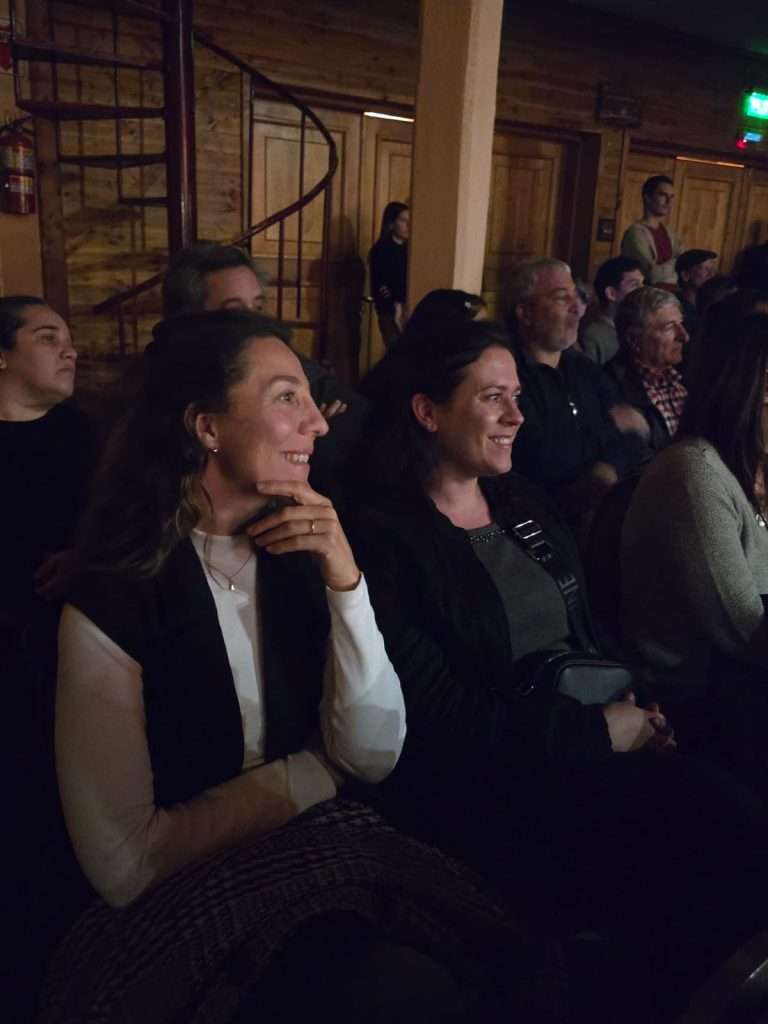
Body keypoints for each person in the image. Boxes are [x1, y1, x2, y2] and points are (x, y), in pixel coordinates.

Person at [41, 310, 532, 1024]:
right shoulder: (116, 595)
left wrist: (346, 582)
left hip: (317, 861)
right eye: (286, 398)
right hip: (185, 902)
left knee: (481, 964)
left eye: (310, 397)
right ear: (207, 427)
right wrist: (314, 772)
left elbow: (373, 755)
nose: (318, 423)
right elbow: (125, 863)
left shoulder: (306, 546)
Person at [347, 318, 768, 1021]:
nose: (517, 415)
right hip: (505, 777)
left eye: (518, 395)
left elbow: (586, 638)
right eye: (493, 398)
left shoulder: (520, 503)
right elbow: (440, 714)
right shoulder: (387, 538)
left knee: (739, 826)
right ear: (427, 411)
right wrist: (599, 732)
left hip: (590, 736)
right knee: (719, 845)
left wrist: (640, 708)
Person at [621, 292, 768, 791]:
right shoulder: (695, 473)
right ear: (755, 393)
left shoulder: (753, 464)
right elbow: (744, 634)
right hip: (694, 704)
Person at [162, 241, 368, 497]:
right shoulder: (160, 391)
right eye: (235, 312)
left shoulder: (286, 362)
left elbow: (354, 413)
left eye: (258, 307)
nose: (255, 321)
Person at [505, 258, 647, 536]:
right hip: (536, 524)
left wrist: (609, 467)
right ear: (525, 313)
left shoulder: (585, 370)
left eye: (577, 297)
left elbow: (635, 436)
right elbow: (535, 456)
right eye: (562, 298)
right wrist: (609, 431)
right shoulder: (507, 376)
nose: (578, 309)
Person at [606, 285, 689, 454]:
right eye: (669, 327)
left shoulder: (690, 375)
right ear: (634, 340)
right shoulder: (608, 388)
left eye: (681, 324)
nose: (684, 336)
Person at [620, 175, 683, 286]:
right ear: (647, 198)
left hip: (673, 293)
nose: (668, 201)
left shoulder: (670, 233)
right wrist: (677, 262)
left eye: (671, 197)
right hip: (648, 294)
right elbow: (651, 275)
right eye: (663, 195)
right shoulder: (636, 233)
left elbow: (687, 263)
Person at [581, 256, 644, 365]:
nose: (643, 290)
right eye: (635, 285)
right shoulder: (593, 337)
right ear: (611, 294)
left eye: (643, 284)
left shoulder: (639, 329)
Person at [368, 202, 409, 347]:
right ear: (391, 223)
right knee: (396, 349)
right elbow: (380, 283)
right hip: (389, 310)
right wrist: (395, 303)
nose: (408, 225)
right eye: (403, 220)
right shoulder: (381, 250)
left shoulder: (409, 250)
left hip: (408, 307)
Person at [676, 248, 718, 335]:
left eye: (712, 269)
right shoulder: (676, 309)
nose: (712, 274)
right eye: (704, 268)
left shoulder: (711, 305)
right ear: (685, 275)